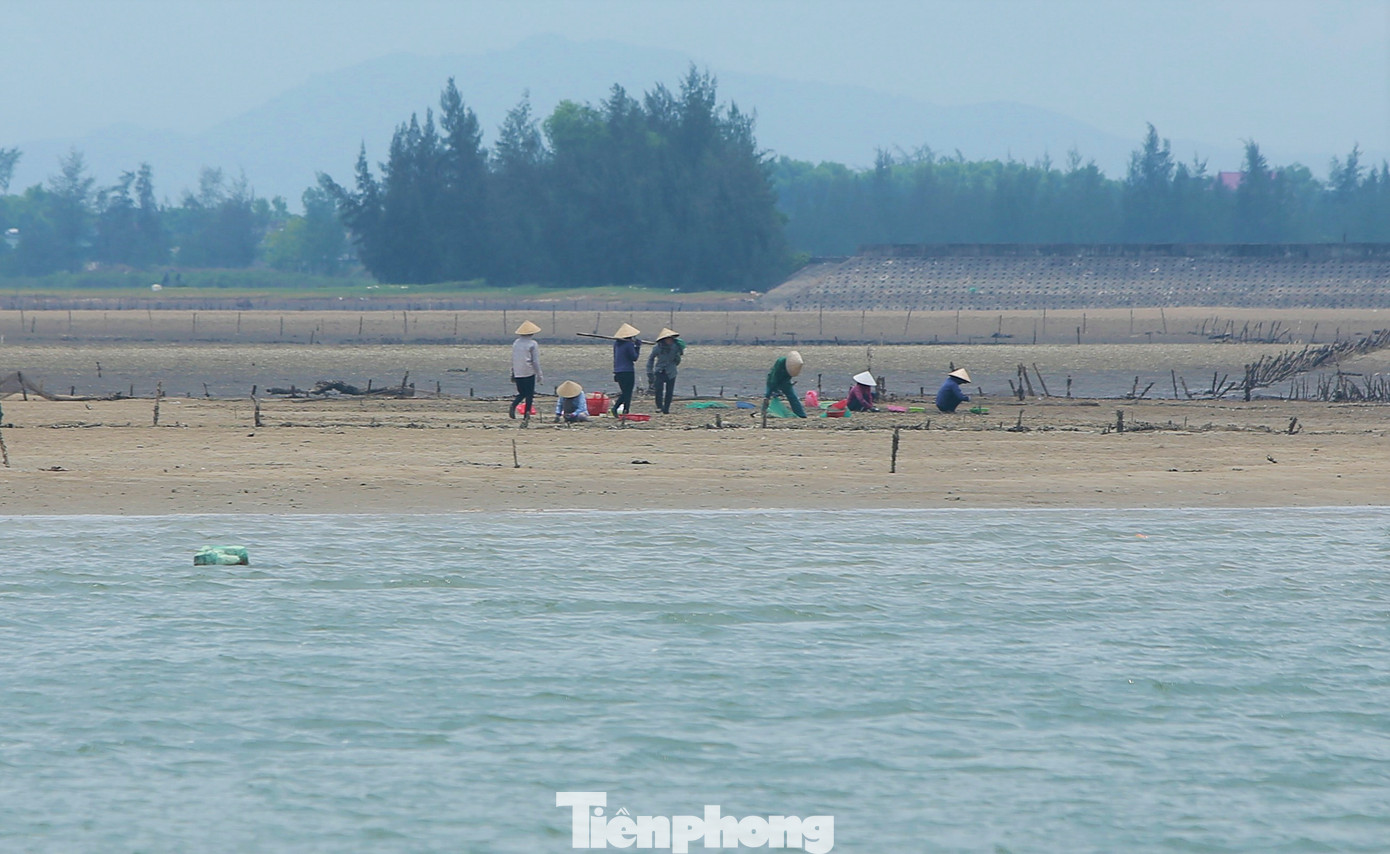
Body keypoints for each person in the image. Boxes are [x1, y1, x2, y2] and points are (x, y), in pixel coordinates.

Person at [509, 320, 543, 419]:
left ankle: (514, 405)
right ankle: (526, 414)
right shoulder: (532, 344)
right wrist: (539, 374)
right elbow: (535, 361)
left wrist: (512, 372)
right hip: (528, 371)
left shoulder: (516, 343)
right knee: (529, 394)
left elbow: (513, 359)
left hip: (517, 371)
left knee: (522, 393)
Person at [646, 328, 683, 414]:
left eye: (671, 338)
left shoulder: (676, 346)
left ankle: (666, 408)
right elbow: (651, 359)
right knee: (658, 390)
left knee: (669, 391)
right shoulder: (657, 348)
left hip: (671, 371)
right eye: (668, 339)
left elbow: (679, 356)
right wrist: (649, 371)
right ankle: (659, 406)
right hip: (660, 370)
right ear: (663, 339)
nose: (670, 340)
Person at [764, 350, 807, 418]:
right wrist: (775, 389)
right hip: (773, 380)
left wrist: (785, 386)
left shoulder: (793, 367)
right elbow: (774, 376)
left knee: (792, 396)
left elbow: (789, 376)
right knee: (767, 395)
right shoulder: (780, 362)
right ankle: (764, 412)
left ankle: (801, 414)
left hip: (785, 381)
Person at [611, 323, 642, 415]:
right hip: (627, 371)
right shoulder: (629, 344)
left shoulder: (616, 344)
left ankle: (626, 411)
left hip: (618, 371)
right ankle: (617, 408)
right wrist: (637, 347)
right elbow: (634, 357)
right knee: (627, 392)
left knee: (625, 392)